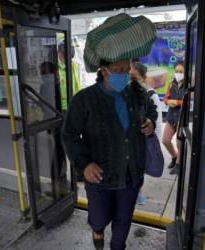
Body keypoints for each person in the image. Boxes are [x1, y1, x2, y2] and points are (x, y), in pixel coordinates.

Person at [62, 13, 157, 250]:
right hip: (101, 177)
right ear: (104, 70)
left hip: (131, 174)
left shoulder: (137, 93)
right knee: (99, 218)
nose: (125, 73)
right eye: (118, 68)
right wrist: (84, 164)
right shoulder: (84, 100)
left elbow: (152, 108)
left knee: (123, 221)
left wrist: (150, 122)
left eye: (127, 67)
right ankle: (97, 233)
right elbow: (69, 135)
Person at [130, 61, 163, 205]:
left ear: (143, 78)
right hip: (132, 139)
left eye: (135, 77)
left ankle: (139, 193)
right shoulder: (126, 92)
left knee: (140, 168)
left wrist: (154, 141)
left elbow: (157, 122)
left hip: (145, 138)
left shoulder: (150, 95)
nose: (131, 81)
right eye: (128, 77)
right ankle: (136, 192)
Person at [162, 61, 185, 175]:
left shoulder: (189, 85)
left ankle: (178, 164)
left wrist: (176, 102)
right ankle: (174, 156)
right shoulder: (171, 84)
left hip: (182, 117)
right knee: (165, 140)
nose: (178, 73)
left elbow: (189, 101)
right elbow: (165, 99)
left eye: (181, 71)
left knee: (179, 143)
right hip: (171, 116)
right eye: (176, 71)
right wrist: (167, 101)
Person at [57, 42, 81, 111]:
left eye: (71, 57)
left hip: (74, 105)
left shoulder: (75, 66)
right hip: (61, 108)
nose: (69, 60)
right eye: (64, 56)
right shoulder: (56, 68)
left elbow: (77, 85)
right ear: (59, 54)